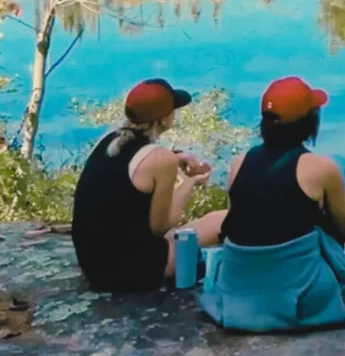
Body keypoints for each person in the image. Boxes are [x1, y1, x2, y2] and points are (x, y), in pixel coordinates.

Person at [199, 76, 345, 332]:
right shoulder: (321, 168)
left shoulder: (239, 162)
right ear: (309, 123)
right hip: (296, 293)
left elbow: (239, 220)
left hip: (239, 292)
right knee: (329, 215)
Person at [72, 78, 228, 293]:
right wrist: (190, 182)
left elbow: (123, 174)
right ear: (163, 119)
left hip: (94, 265)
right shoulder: (160, 158)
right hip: (133, 270)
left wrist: (175, 157)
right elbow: (161, 227)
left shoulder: (109, 140)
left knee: (207, 223)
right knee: (222, 221)